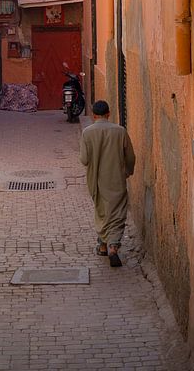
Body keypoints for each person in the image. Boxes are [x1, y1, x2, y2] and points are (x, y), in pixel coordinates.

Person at [79, 100, 136, 267]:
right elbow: (130, 157)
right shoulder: (120, 131)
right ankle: (112, 246)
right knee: (117, 213)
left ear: (94, 115)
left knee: (102, 212)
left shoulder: (87, 133)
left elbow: (84, 159)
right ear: (108, 114)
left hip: (96, 180)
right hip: (116, 178)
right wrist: (128, 171)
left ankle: (103, 246)